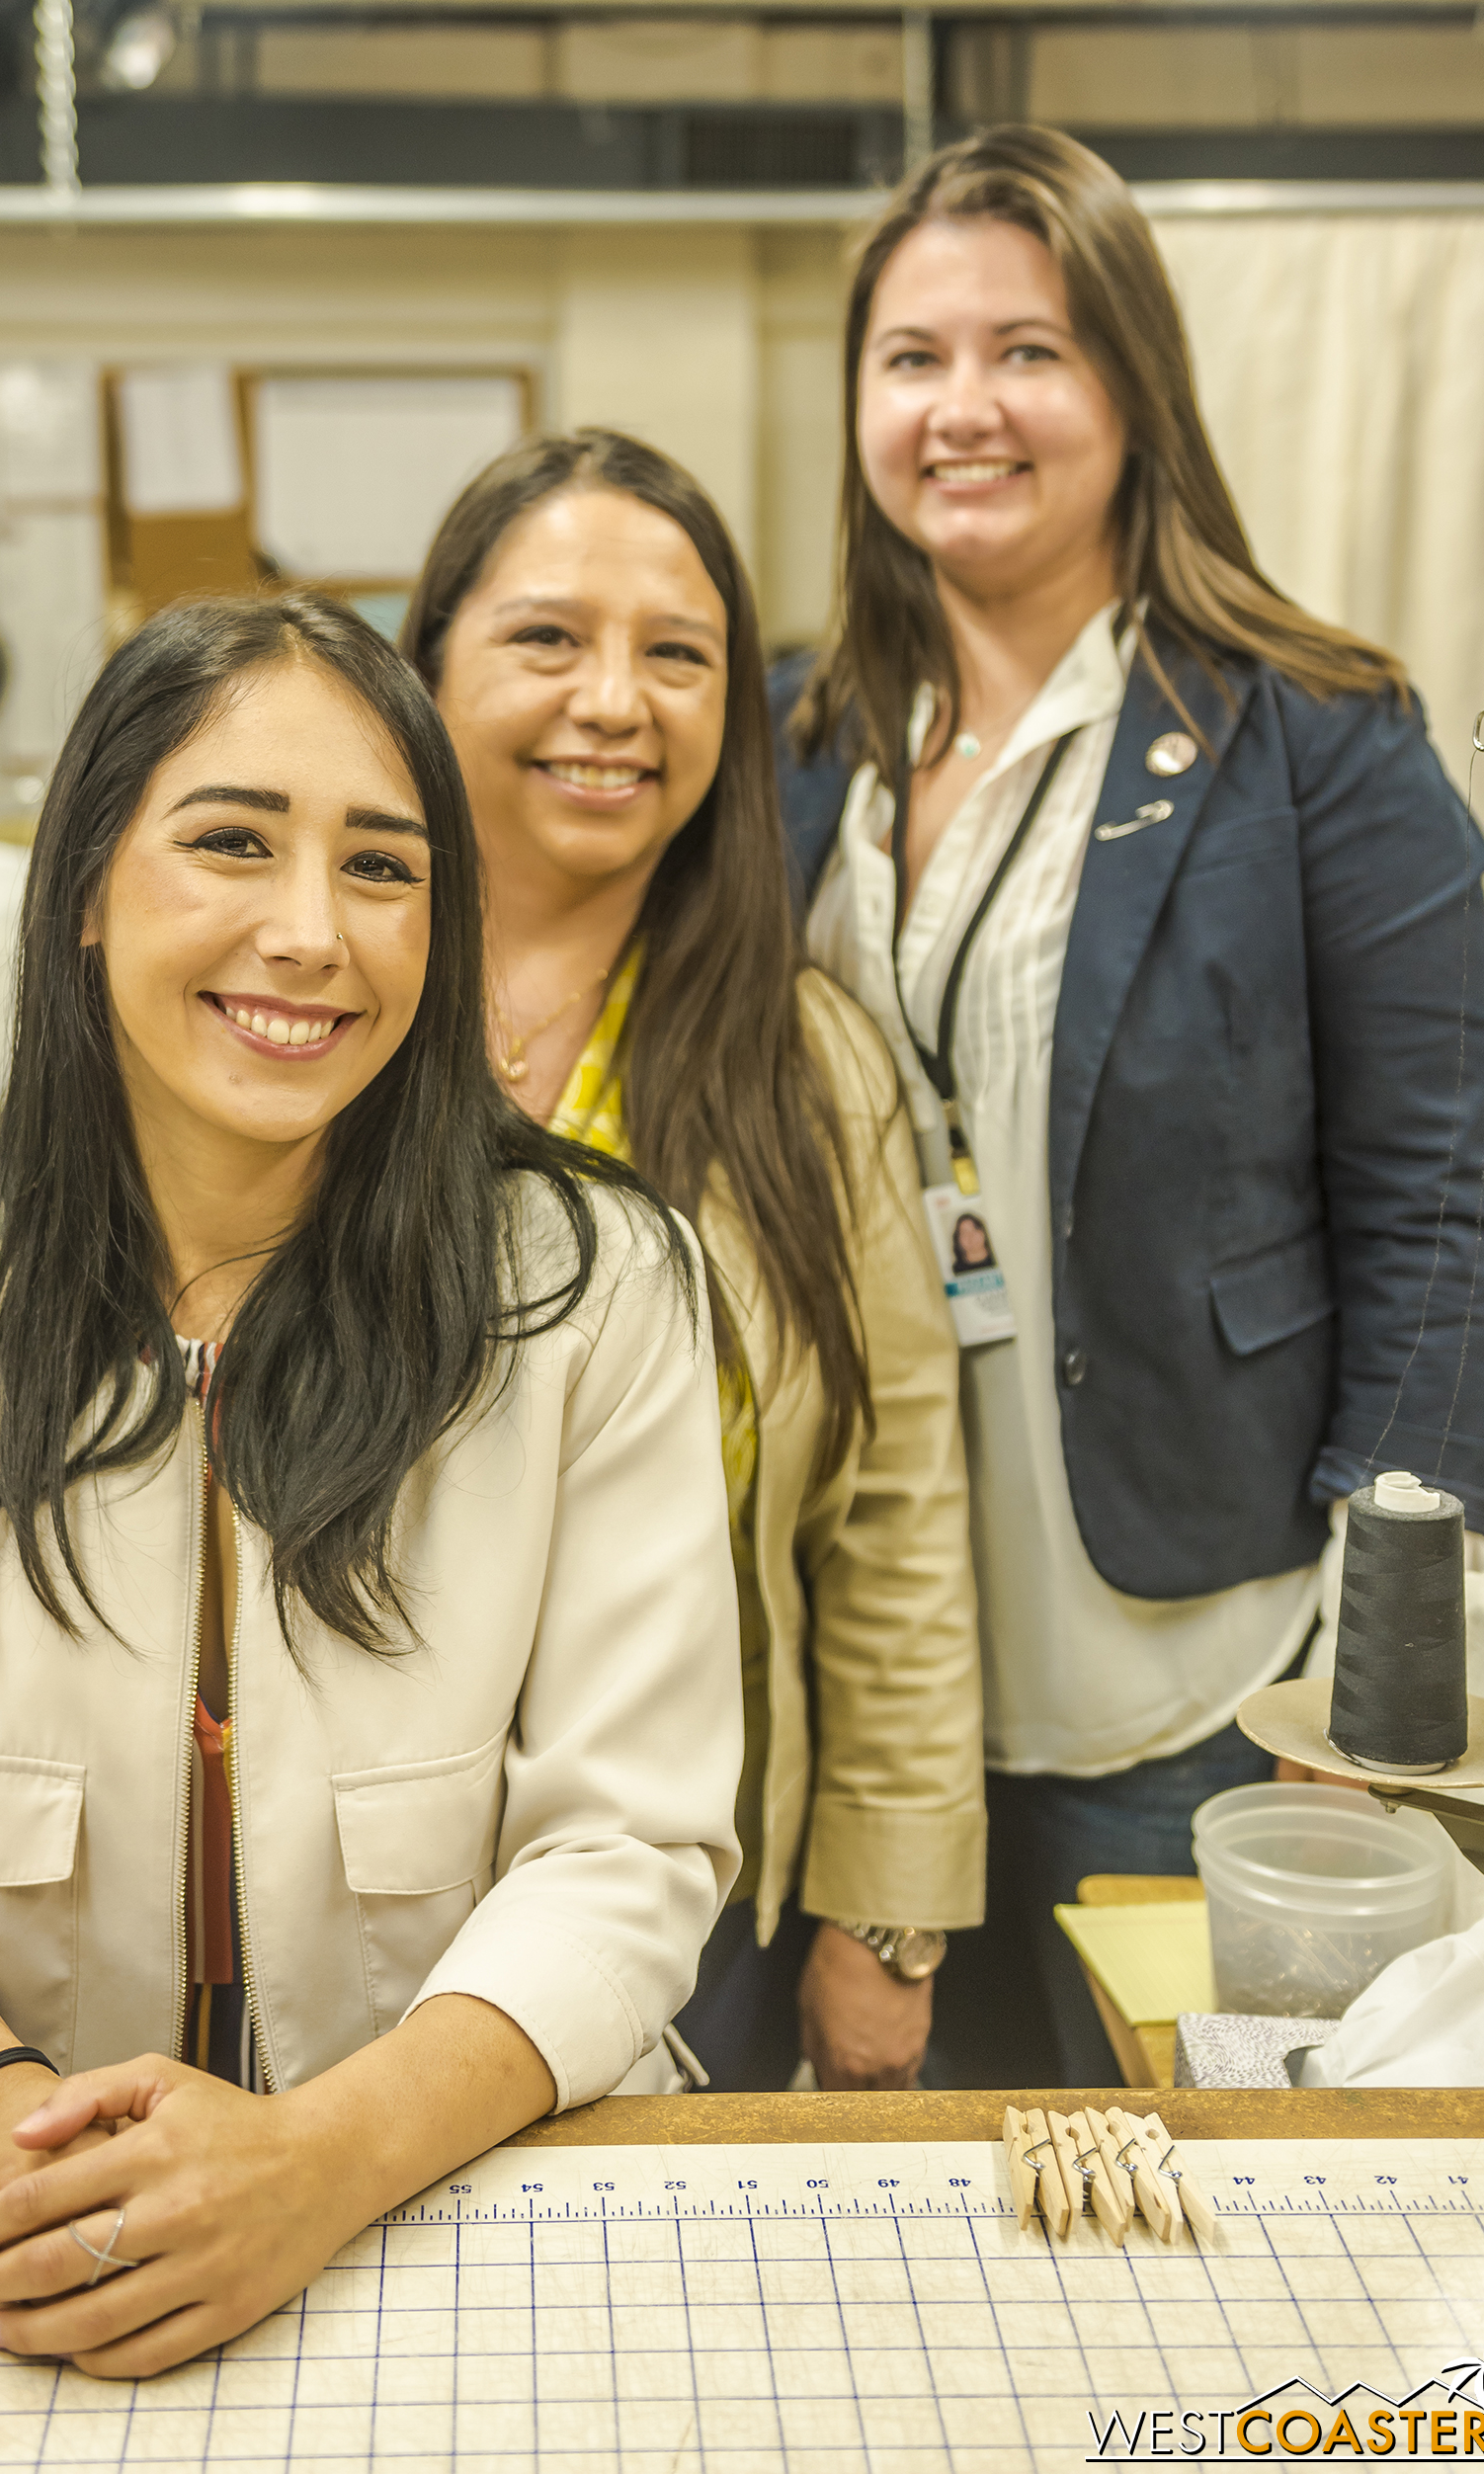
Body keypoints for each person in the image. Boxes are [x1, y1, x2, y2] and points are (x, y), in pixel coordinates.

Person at [0, 591, 741, 2379]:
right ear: (80, 893)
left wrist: (318, 2160)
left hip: (467, 2196)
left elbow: (628, 1844)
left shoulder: (591, 1290)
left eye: (381, 867)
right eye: (228, 843)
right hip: (21, 2217)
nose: (310, 935)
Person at [774, 124, 1484, 2087]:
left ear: (1133, 383)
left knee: (1198, 2219)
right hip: (870, 1691)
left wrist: (1380, 1715)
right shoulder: (800, 755)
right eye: (912, 356)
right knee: (919, 2265)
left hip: (1208, 1678)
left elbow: (1444, 1211)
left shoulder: (1312, 735)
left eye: (1028, 349)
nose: (966, 407)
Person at [401, 426, 984, 2093]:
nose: (614, 701)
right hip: (341, 1889)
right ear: (426, 668)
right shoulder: (312, 1016)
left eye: (678, 655)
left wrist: (885, 1929)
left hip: (691, 1886)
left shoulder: (810, 1065)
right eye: (545, 638)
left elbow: (895, 1522)